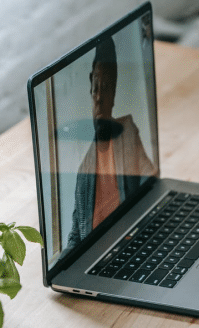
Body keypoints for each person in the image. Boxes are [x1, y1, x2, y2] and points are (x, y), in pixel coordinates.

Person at [66, 37, 155, 248]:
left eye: (105, 88)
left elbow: (150, 183)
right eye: (96, 87)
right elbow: (75, 235)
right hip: (98, 254)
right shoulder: (84, 170)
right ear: (90, 88)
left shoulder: (127, 133)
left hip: (132, 243)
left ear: (113, 94)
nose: (99, 98)